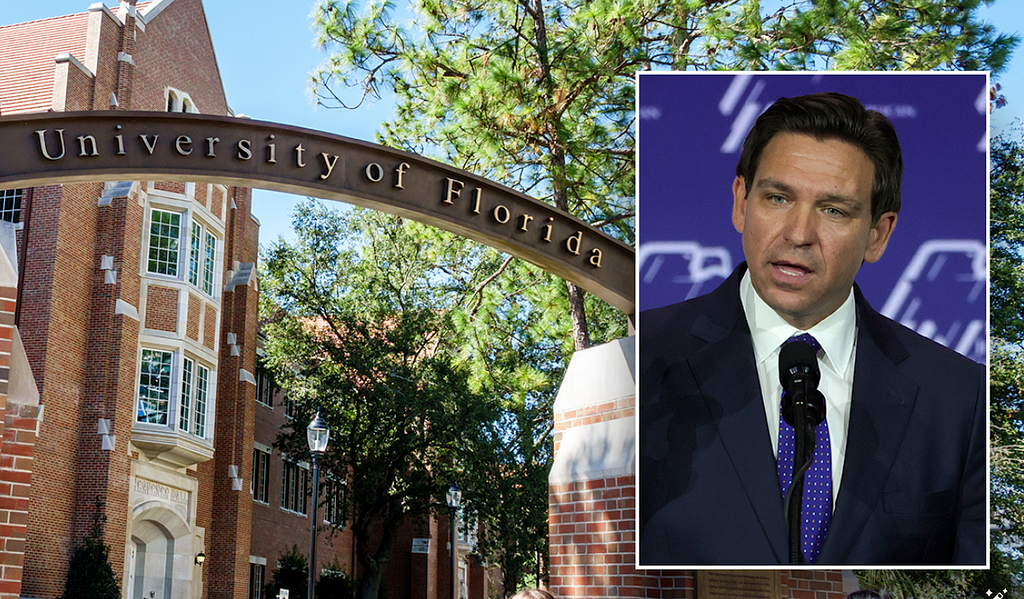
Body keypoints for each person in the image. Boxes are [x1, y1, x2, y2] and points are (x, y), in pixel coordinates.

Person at [638, 92, 985, 566]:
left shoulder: (959, 400)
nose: (798, 233)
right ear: (741, 203)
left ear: (878, 234)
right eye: (777, 198)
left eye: (834, 210)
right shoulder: (642, 363)